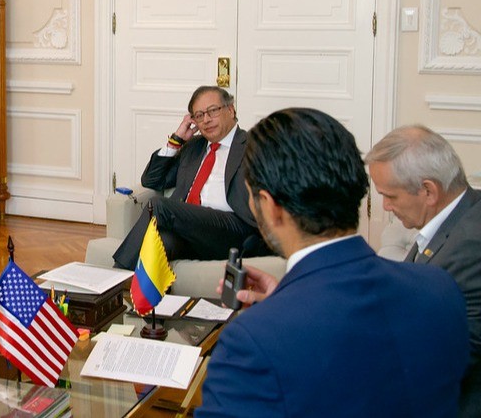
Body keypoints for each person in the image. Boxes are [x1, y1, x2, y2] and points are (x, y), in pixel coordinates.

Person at [195, 108, 469, 417]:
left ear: (270, 206)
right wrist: (286, 303)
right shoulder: (439, 289)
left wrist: (280, 316)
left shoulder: (250, 343)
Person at [366, 125, 481, 417]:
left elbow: (454, 355)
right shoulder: (461, 215)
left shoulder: (470, 246)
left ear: (428, 191)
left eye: (390, 196)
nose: (386, 206)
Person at [113, 86, 268, 270]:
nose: (206, 120)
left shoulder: (255, 145)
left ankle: (114, 275)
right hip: (192, 230)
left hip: (233, 230)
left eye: (213, 111)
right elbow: (152, 180)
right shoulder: (194, 147)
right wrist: (176, 140)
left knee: (158, 205)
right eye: (199, 115)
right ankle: (129, 287)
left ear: (230, 110)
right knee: (161, 242)